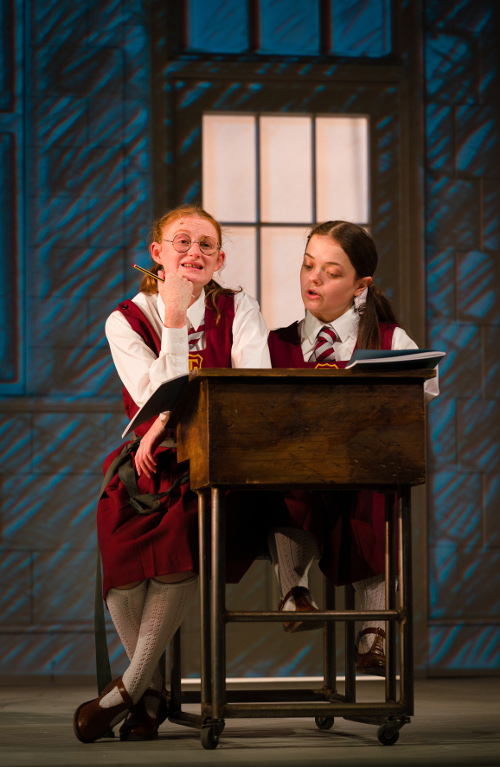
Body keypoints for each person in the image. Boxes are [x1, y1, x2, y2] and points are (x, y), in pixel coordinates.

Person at [73, 204, 276, 743]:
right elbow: (148, 398)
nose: (195, 252)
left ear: (220, 259)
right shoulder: (126, 319)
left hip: (219, 456)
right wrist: (175, 319)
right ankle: (152, 693)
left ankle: (128, 693)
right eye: (181, 241)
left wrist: (166, 418)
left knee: (183, 529)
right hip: (149, 458)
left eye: (207, 245)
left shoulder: (240, 309)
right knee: (116, 537)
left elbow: (248, 389)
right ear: (157, 253)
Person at [267, 220, 439, 673]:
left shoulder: (389, 340)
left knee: (375, 496)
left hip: (358, 476)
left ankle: (373, 631)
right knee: (276, 486)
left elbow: (419, 395)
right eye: (307, 266)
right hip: (293, 475)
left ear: (361, 285)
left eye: (331, 271)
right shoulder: (274, 343)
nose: (313, 279)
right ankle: (293, 592)